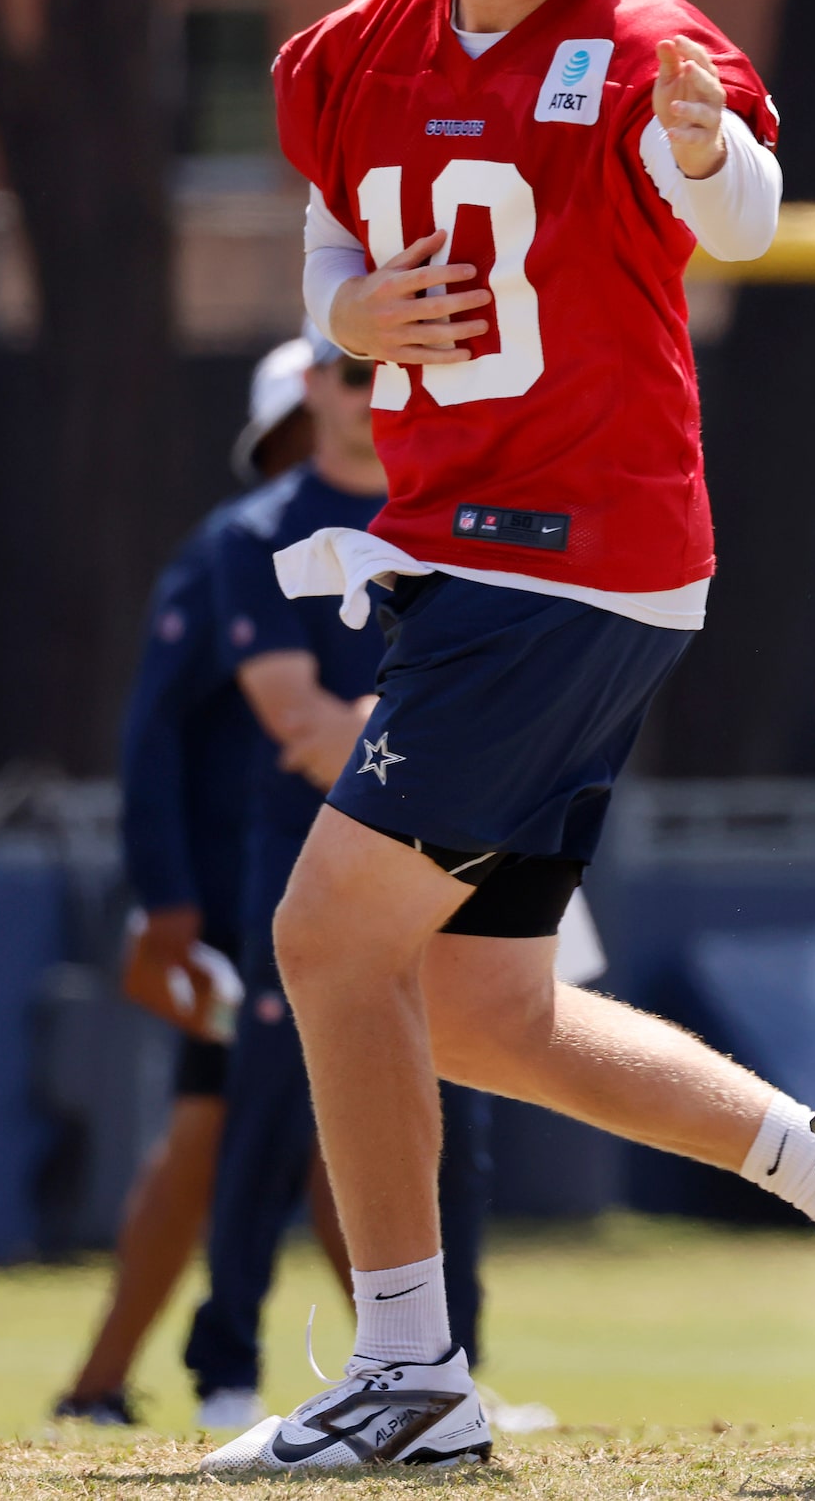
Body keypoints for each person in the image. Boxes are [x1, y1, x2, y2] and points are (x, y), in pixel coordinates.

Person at [197, 0, 815, 1472]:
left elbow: (741, 216)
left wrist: (705, 143)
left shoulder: (646, 32)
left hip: (566, 554)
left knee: (324, 939)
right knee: (482, 1011)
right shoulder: (343, 58)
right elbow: (330, 281)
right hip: (469, 552)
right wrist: (349, 307)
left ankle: (412, 1367)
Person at [181, 336, 493, 1429]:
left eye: (388, 371)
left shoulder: (447, 510)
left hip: (440, 858)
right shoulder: (260, 530)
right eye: (351, 371)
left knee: (454, 1107)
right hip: (306, 860)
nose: (372, 395)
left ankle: (458, 1363)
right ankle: (225, 1365)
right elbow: (297, 723)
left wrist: (418, 731)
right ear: (312, 383)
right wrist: (428, 730)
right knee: (265, 1111)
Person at [53, 338, 314, 1426]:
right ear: (280, 438)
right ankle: (426, 1368)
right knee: (240, 1130)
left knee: (278, 1129)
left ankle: (100, 1384)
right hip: (238, 909)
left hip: (310, 896)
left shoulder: (380, 537)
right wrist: (166, 901)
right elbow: (153, 733)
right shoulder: (230, 552)